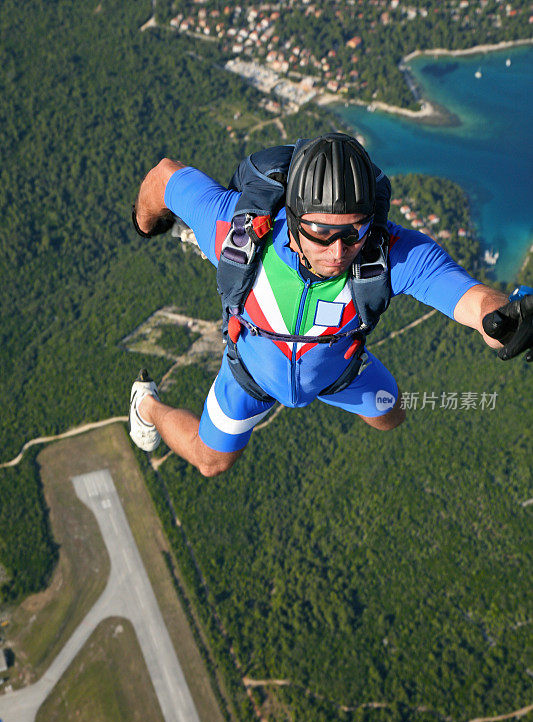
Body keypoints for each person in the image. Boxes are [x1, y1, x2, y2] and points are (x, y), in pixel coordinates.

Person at [129, 133, 532, 477]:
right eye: (321, 233)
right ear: (292, 215)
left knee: (391, 416)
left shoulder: (385, 252)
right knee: (210, 461)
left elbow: (469, 297)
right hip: (249, 374)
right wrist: (146, 221)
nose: (338, 252)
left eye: (354, 231)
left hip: (340, 372)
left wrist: (503, 323)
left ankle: (346, 365)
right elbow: (164, 176)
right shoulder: (235, 229)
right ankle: (146, 405)